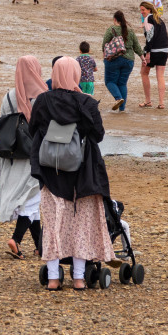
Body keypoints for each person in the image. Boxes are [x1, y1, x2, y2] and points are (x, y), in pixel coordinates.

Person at [29, 57, 112, 291]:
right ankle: (78, 278)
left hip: (50, 173)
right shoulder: (86, 103)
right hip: (81, 175)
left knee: (53, 226)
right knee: (80, 226)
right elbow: (98, 135)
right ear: (76, 75)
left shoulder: (43, 101)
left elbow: (33, 129)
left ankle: (53, 279)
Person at [0, 56, 46, 258]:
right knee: (33, 199)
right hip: (33, 155)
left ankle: (40, 246)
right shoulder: (42, 97)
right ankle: (16, 239)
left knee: (30, 199)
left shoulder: (8, 97)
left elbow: (2, 123)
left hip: (13, 154)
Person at [102, 10, 141, 112]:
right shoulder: (130, 30)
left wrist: (104, 55)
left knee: (110, 81)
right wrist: (142, 57)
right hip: (129, 60)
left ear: (115, 19)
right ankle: (122, 109)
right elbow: (136, 46)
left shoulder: (111, 29)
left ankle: (118, 98)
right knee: (122, 83)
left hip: (114, 59)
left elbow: (104, 44)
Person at [137, 1, 168, 109]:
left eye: (143, 10)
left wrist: (148, 52)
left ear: (149, 10)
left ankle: (148, 101)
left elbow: (149, 37)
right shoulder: (159, 19)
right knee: (160, 76)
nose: (142, 12)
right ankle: (161, 103)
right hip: (164, 50)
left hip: (154, 50)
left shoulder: (148, 19)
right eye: (141, 10)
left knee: (144, 73)